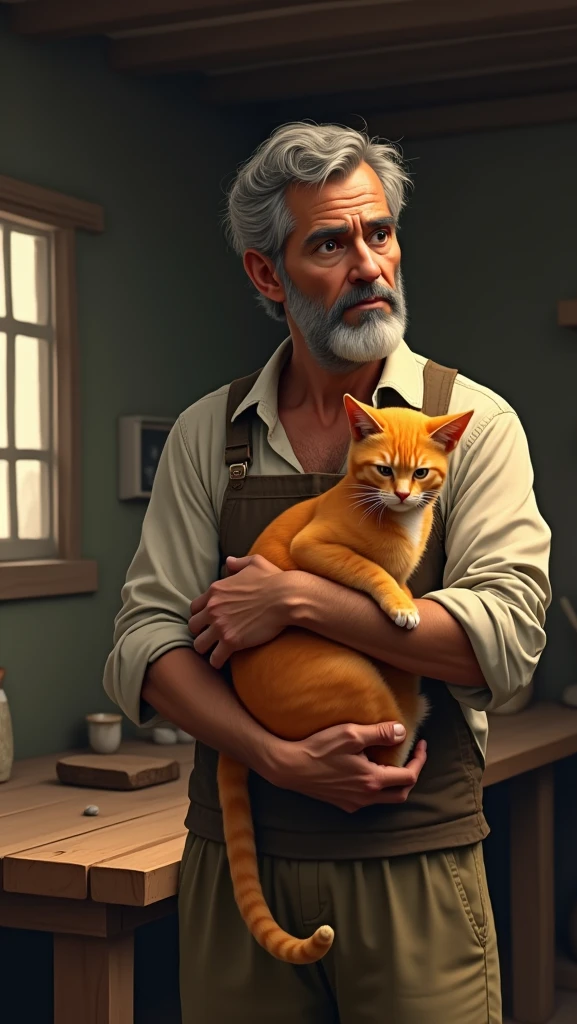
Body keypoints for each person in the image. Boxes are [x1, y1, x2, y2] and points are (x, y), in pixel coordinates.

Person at [103, 121, 552, 1024]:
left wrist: (297, 597)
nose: (369, 266)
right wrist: (276, 758)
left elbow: (502, 640)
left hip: (415, 860)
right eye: (329, 244)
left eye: (379, 233)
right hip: (239, 866)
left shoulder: (472, 422)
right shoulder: (208, 436)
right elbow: (143, 644)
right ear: (268, 275)